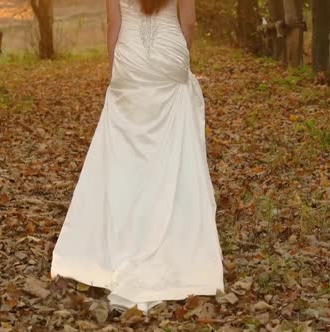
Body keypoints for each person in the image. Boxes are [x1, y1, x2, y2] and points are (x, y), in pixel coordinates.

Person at [50, 0, 224, 314]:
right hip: (170, 52)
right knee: (172, 147)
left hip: (129, 54)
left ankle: (123, 231)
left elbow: (113, 25)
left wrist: (115, 70)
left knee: (125, 152)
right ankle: (172, 228)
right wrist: (178, 57)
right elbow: (190, 23)